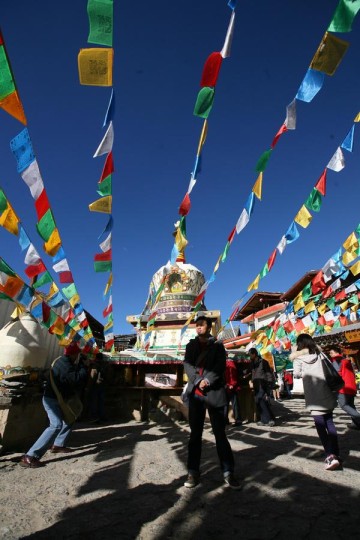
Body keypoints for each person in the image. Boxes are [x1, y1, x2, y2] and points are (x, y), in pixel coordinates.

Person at [183, 315, 240, 489]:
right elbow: (187, 365)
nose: (199, 327)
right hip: (196, 394)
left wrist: (207, 380)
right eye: (197, 325)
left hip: (214, 391)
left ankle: (228, 471)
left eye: (202, 325)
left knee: (220, 434)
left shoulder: (218, 346)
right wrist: (197, 380)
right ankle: (193, 471)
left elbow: (220, 365)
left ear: (209, 327)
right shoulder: (190, 346)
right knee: (195, 435)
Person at [20, 343, 88, 468]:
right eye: (78, 354)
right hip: (52, 400)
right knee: (56, 425)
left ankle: (58, 445)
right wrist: (84, 367)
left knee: (70, 418)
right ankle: (30, 456)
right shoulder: (65, 364)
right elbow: (76, 379)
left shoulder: (64, 362)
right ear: (74, 354)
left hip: (60, 399)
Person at [290, 334, 340, 471]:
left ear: (299, 344)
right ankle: (335, 451)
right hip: (326, 391)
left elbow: (297, 374)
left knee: (320, 425)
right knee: (329, 422)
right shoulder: (320, 353)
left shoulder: (298, 357)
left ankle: (330, 455)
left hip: (313, 394)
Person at [328, 345, 360, 430]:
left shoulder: (336, 360)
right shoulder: (346, 360)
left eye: (331, 353)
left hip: (344, 387)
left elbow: (337, 374)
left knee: (343, 405)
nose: (330, 355)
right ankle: (356, 424)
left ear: (337, 353)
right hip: (351, 386)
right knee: (351, 405)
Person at [248, 348, 275, 426]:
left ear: (254, 354)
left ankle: (269, 419)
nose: (249, 356)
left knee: (261, 400)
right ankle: (264, 420)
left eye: (250, 354)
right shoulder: (252, 363)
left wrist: (269, 384)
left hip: (263, 384)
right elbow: (249, 371)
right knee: (258, 401)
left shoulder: (263, 362)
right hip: (256, 384)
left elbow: (268, 374)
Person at [88, 353, 108, 422]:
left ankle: (94, 417)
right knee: (101, 401)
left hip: (95, 385)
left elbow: (92, 376)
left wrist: (88, 386)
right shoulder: (106, 365)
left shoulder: (95, 365)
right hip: (103, 385)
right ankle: (102, 416)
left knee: (94, 401)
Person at [225, 358, 242, 426]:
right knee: (231, 404)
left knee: (230, 404)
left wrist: (231, 384)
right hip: (228, 386)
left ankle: (236, 420)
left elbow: (232, 374)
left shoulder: (229, 362)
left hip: (230, 387)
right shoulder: (229, 362)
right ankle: (236, 420)